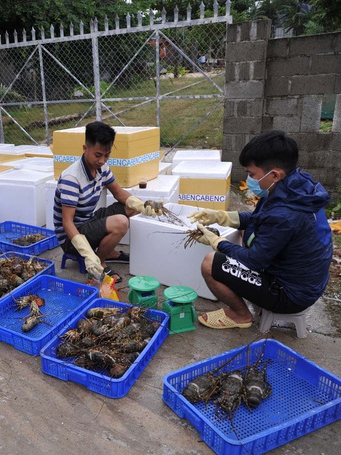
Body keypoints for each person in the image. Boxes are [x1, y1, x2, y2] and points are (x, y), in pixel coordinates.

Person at [190, 130, 333, 329]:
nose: (249, 179)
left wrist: (217, 243)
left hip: (290, 294)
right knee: (244, 231)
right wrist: (222, 217)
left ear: (274, 174)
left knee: (210, 263)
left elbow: (255, 260)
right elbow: (260, 219)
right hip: (303, 279)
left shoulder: (286, 215)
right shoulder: (293, 187)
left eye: (251, 174)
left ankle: (240, 315)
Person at [54, 121, 163, 281]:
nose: (103, 160)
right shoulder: (72, 178)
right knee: (120, 222)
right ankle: (100, 261)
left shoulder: (102, 168)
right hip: (71, 237)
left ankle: (109, 252)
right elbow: (67, 223)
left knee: (132, 206)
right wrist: (87, 253)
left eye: (107, 155)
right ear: (85, 148)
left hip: (87, 221)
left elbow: (118, 192)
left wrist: (143, 206)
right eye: (98, 155)